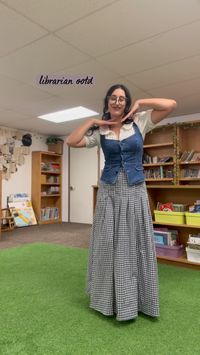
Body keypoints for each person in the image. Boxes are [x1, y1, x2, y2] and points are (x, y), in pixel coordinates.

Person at [66, 84, 177, 321]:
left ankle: (137, 299)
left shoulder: (141, 122)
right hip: (109, 192)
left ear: (126, 103)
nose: (117, 102)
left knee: (134, 243)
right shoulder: (100, 133)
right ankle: (108, 298)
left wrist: (141, 103)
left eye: (122, 99)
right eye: (113, 98)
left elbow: (171, 105)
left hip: (135, 190)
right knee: (108, 244)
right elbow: (71, 141)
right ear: (107, 102)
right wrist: (93, 122)